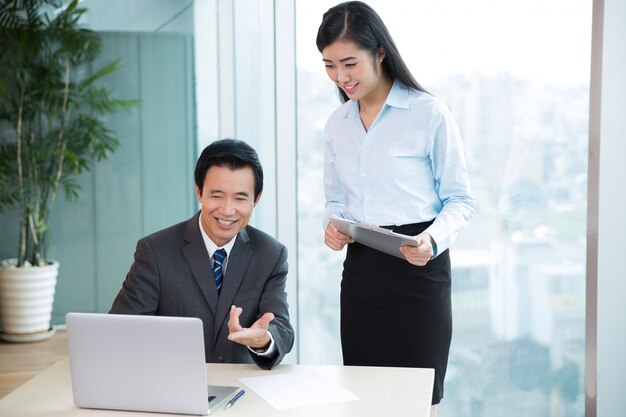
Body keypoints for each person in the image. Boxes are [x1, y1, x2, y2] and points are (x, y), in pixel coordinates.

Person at [316, 1, 475, 413]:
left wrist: (432, 239)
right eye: (330, 65)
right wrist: (333, 227)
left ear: (380, 52)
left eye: (349, 63)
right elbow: (335, 199)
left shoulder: (429, 113)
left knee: (417, 402)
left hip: (418, 272)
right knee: (364, 400)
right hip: (362, 273)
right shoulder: (338, 124)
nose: (341, 77)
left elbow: (460, 200)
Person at [110, 138, 294, 370]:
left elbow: (281, 329)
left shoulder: (270, 254)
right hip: (171, 386)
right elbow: (120, 330)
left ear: (255, 199)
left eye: (240, 198)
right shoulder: (155, 251)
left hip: (240, 391)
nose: (227, 210)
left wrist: (263, 340)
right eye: (217, 195)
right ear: (199, 192)